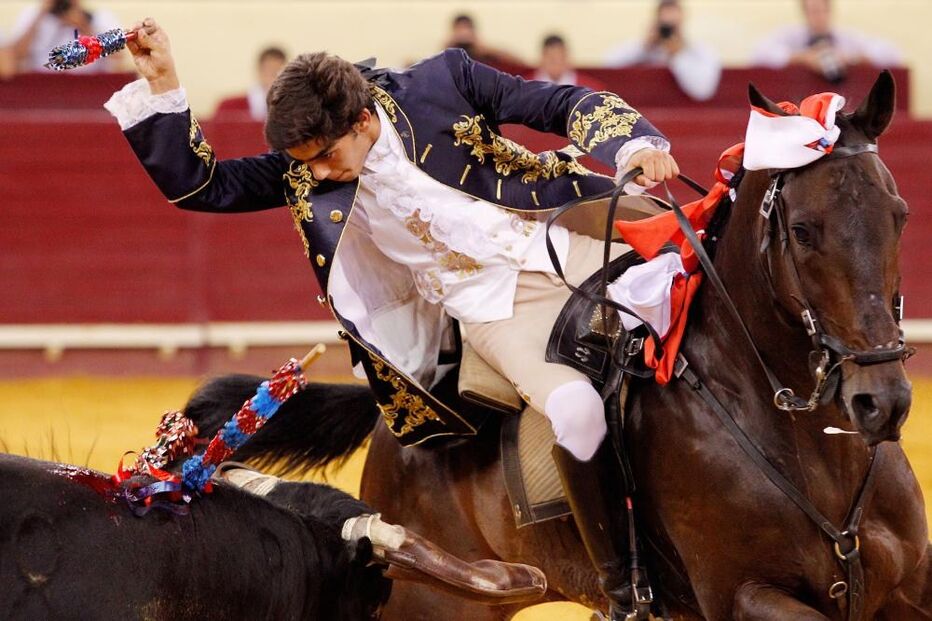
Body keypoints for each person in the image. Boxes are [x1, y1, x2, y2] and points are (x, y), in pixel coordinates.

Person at [105, 18, 679, 619]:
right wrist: (165, 81)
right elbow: (203, 186)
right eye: (307, 164)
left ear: (362, 119)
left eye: (327, 157)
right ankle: (624, 588)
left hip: (570, 242)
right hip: (494, 310)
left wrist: (633, 145)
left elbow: (557, 103)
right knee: (576, 409)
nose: (319, 173)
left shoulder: (442, 82)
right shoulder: (307, 170)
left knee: (700, 310)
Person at [752, 0, 903, 81]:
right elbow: (758, 54)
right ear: (804, 12)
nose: (818, 16)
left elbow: (892, 54)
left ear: (830, 11)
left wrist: (850, 58)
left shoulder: (847, 37)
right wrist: (802, 58)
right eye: (813, 11)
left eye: (822, 10)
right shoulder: (791, 36)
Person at [603, 0, 721, 101]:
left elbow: (702, 91)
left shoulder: (699, 50)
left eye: (672, 26)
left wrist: (677, 55)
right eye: (665, 26)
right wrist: (644, 47)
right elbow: (608, 66)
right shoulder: (643, 48)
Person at [7, 0, 122, 74]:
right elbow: (14, 56)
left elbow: (118, 58)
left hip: (86, 84)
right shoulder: (32, 15)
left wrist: (84, 26)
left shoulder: (99, 17)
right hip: (41, 84)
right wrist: (41, 14)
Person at [442, 13, 525, 68]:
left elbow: (519, 64)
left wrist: (485, 49)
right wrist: (449, 48)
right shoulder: (447, 56)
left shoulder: (486, 55)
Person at [532, 34, 605, 90]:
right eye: (552, 60)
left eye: (561, 58)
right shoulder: (526, 88)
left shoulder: (591, 88)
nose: (557, 64)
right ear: (542, 59)